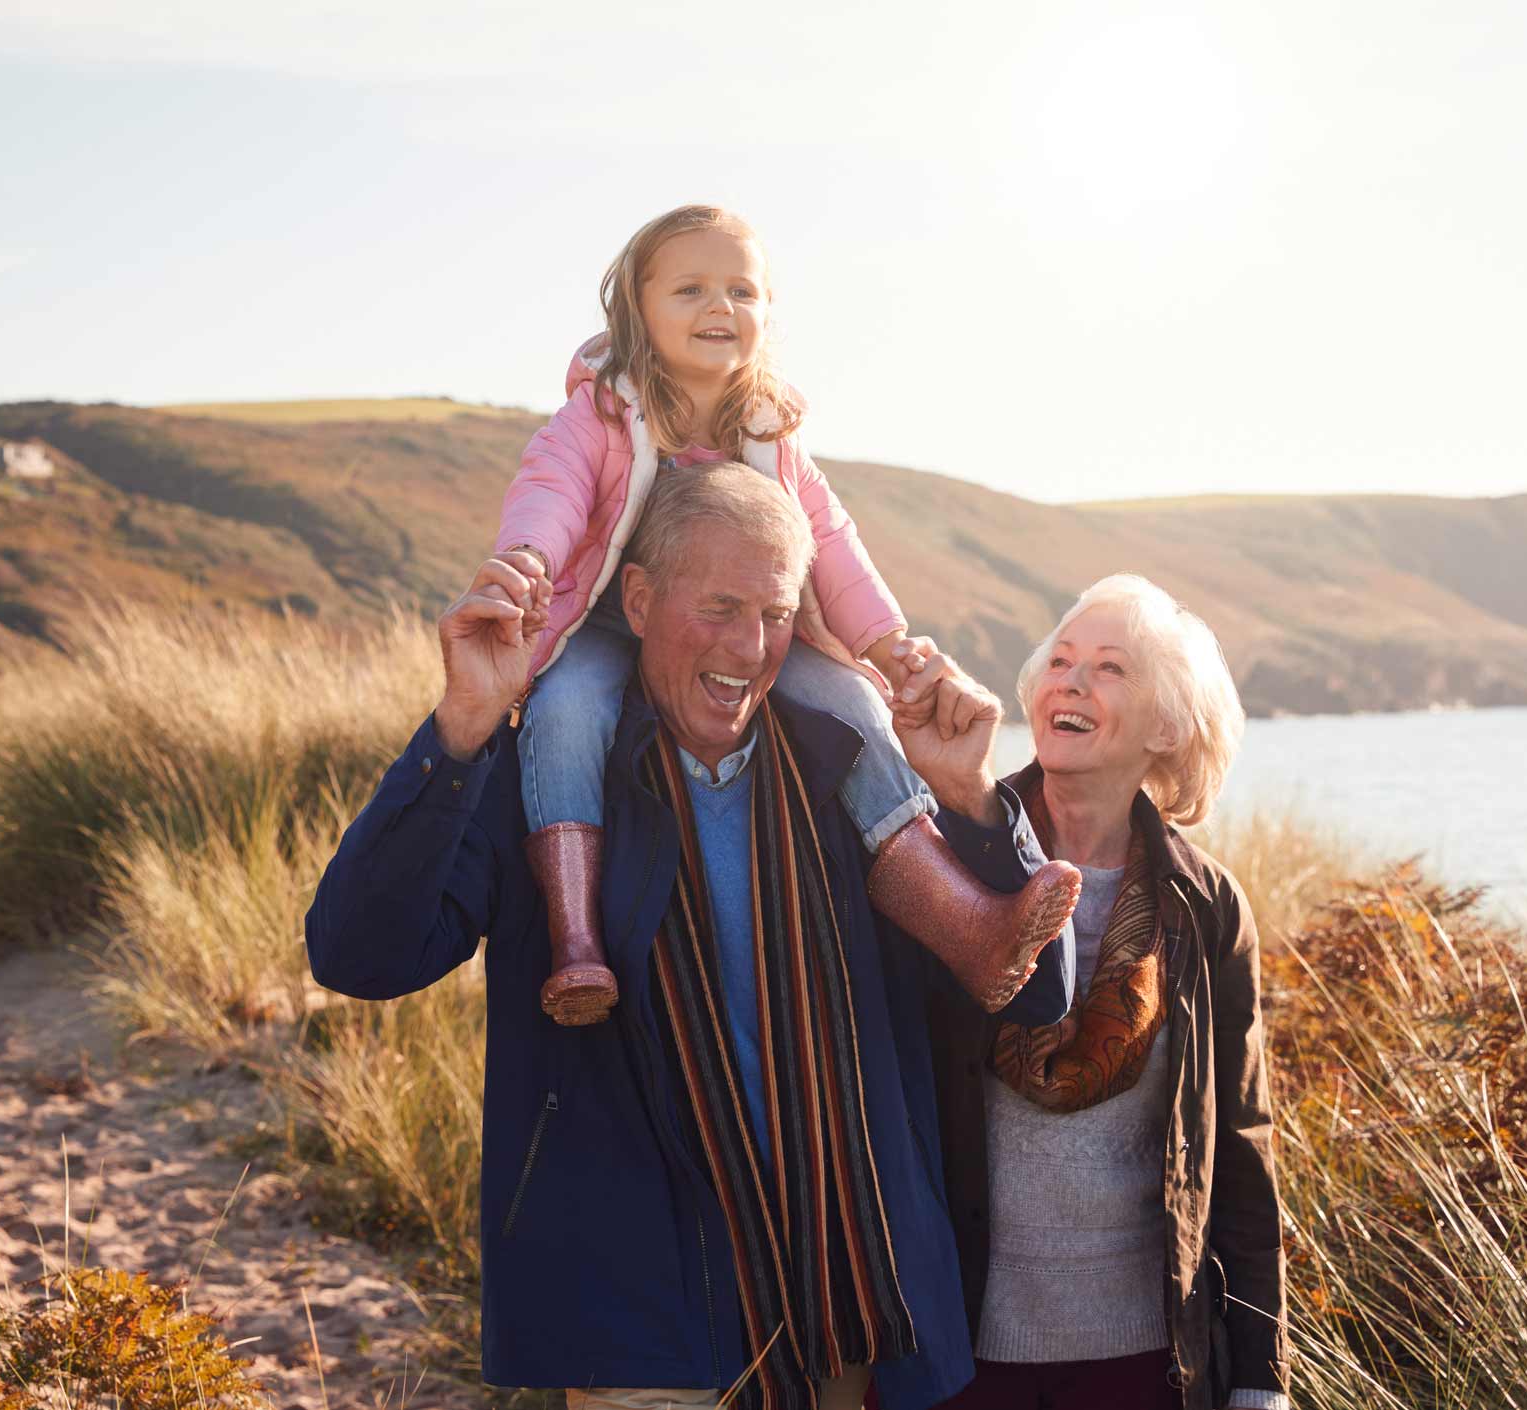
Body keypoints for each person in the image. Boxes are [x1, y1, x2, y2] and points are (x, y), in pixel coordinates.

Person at [305, 464, 1075, 1409]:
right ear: (636, 597)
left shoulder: (852, 776)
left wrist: (968, 798)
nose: (750, 648)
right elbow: (360, 957)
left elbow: (1034, 998)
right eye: (717, 608)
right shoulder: (549, 785)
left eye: (777, 614)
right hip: (638, 1317)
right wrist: (464, 723)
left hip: (848, 1306)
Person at [488, 203, 1077, 1027]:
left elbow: (829, 541)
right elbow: (550, 493)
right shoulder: (601, 415)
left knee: (855, 705)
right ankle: (577, 939)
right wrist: (527, 563)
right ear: (635, 305)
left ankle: (968, 924)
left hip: (752, 627)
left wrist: (885, 641)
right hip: (608, 621)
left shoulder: (771, 435)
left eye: (742, 290)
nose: (719, 307)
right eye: (690, 288)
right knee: (565, 712)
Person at [915, 575, 1290, 1410]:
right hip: (953, 1352)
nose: (1072, 682)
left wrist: (1260, 1374)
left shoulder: (1205, 906)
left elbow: (1239, 1141)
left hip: (1147, 1361)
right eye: (1060, 661)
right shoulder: (945, 853)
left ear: (1165, 726)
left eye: (1110, 668)